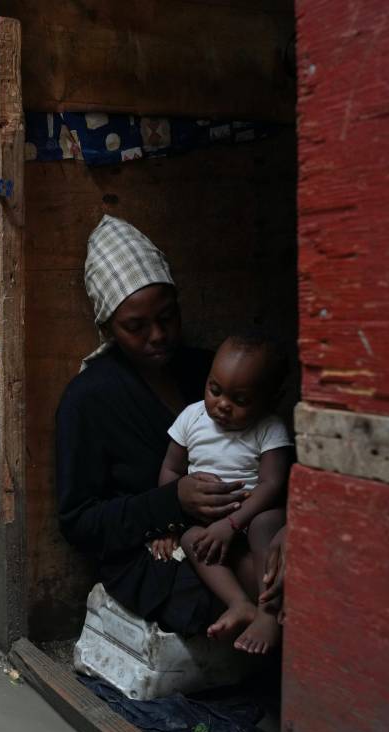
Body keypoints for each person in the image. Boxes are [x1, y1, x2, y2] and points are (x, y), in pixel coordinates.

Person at [56, 215, 251, 637]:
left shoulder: (209, 373)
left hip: (241, 526)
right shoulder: (89, 399)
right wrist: (171, 501)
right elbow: (79, 522)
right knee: (221, 597)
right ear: (107, 326)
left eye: (168, 317)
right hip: (152, 556)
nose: (158, 335)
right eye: (136, 327)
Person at [158, 334, 292, 655]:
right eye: (214, 390)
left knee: (267, 524)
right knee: (191, 539)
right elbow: (170, 471)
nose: (222, 404)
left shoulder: (269, 428)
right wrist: (168, 522)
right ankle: (239, 604)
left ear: (270, 400)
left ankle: (268, 612)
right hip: (207, 521)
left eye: (240, 400)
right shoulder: (192, 417)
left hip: (249, 518)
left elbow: (272, 485)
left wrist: (232, 524)